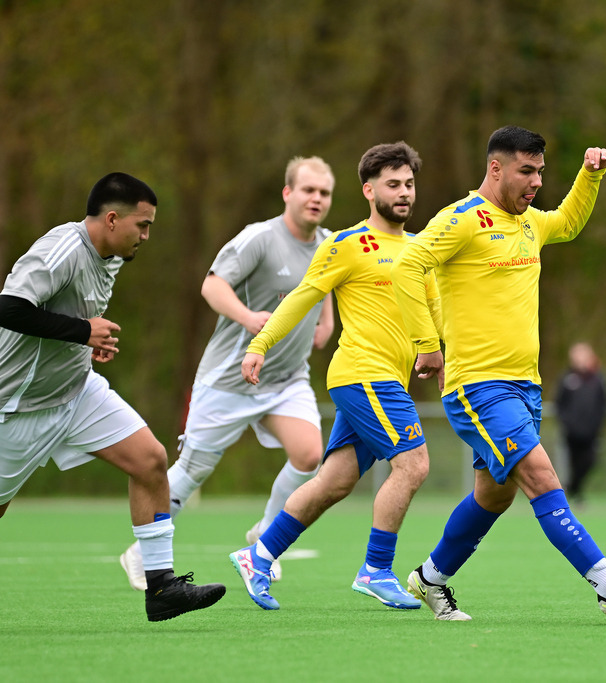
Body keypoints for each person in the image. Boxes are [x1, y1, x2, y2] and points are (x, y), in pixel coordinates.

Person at [391, 125, 606, 621]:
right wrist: (426, 345)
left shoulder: (529, 223)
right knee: (542, 477)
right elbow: (408, 266)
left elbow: (567, 223)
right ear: (495, 168)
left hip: (525, 388)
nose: (536, 181)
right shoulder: (462, 220)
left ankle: (429, 580)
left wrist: (589, 176)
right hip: (478, 386)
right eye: (527, 171)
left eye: (540, 171)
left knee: (494, 495)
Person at [0, 172, 226, 621]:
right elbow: (8, 308)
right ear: (110, 219)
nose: (146, 235)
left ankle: (161, 588)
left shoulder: (114, 255)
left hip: (76, 391)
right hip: (18, 405)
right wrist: (83, 332)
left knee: (150, 460)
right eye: (142, 225)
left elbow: (70, 319)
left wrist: (88, 342)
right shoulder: (62, 249)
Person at [228, 141, 441, 611]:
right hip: (363, 375)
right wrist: (260, 344)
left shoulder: (419, 249)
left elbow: (436, 312)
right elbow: (302, 297)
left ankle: (258, 554)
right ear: (369, 190)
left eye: (409, 184)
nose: (404, 192)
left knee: (334, 482)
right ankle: (376, 570)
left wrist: (442, 354)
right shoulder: (346, 244)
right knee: (414, 464)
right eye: (393, 184)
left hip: (388, 379)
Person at [119, 156, 336, 590]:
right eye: (308, 190)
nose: (317, 199)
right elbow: (211, 285)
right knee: (193, 469)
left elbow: (323, 283)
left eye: (325, 193)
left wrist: (326, 319)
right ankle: (141, 552)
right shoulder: (259, 238)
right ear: (288, 193)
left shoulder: (330, 243)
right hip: (229, 379)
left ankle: (266, 536)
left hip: (286, 380)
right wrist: (248, 317)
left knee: (311, 455)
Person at [555, 341, 606, 503]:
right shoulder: (567, 378)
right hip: (572, 432)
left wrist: (598, 425)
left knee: (590, 461)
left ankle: (572, 487)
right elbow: (560, 403)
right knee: (573, 462)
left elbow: (604, 404)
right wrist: (566, 423)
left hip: (592, 431)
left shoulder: (598, 379)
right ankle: (577, 495)